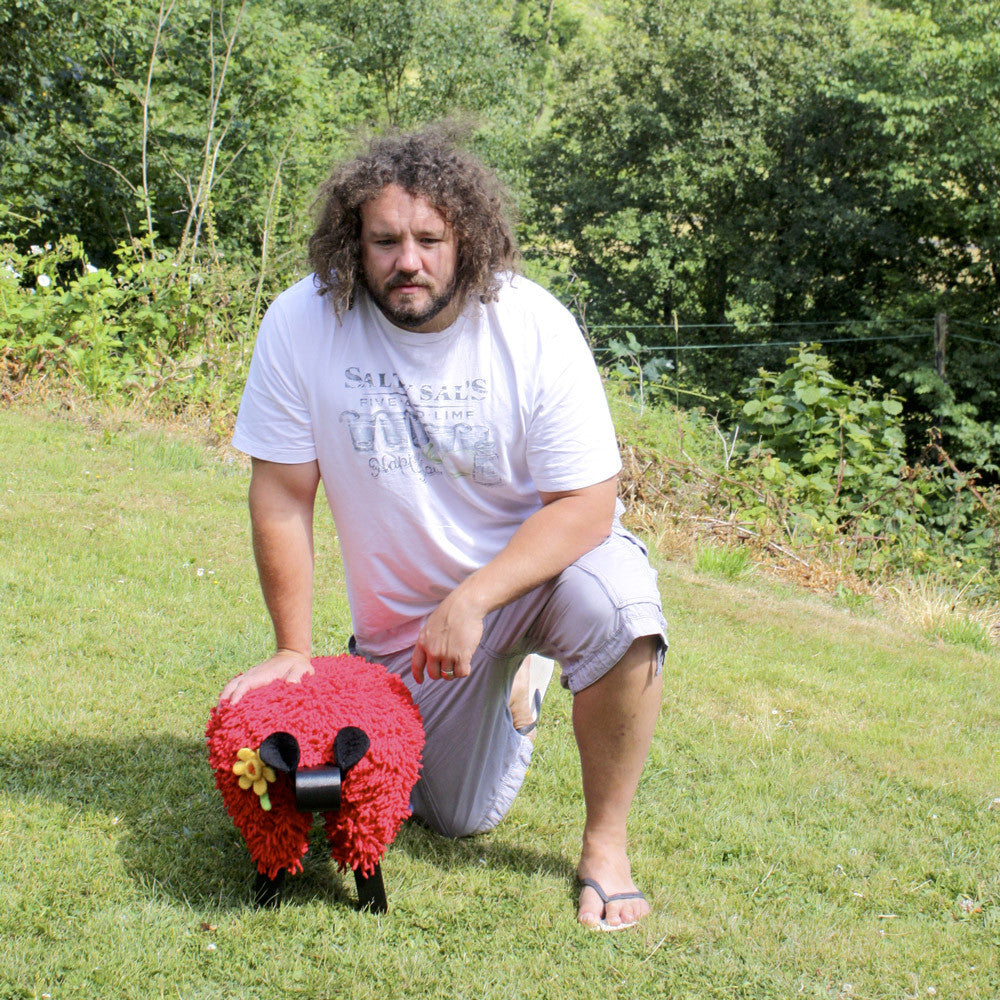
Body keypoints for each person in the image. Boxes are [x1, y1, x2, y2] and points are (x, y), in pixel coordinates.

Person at [223, 126, 667, 930]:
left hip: (533, 578)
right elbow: (283, 495)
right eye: (385, 240)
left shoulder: (532, 325)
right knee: (454, 818)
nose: (408, 261)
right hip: (408, 629)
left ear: (468, 239)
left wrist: (476, 596)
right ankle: (516, 691)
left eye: (430, 239)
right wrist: (294, 649)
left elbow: (588, 503)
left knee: (623, 607)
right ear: (353, 243)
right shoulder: (302, 322)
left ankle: (606, 847)